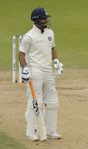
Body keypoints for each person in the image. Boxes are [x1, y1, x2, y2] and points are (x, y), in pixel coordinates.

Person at [19, 7, 64, 141]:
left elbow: (52, 48)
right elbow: (21, 54)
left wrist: (56, 60)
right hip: (35, 72)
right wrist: (25, 68)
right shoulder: (29, 36)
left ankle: (50, 130)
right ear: (36, 20)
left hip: (48, 71)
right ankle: (31, 132)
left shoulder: (50, 33)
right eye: (44, 18)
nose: (46, 20)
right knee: (36, 102)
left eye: (46, 18)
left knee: (52, 102)